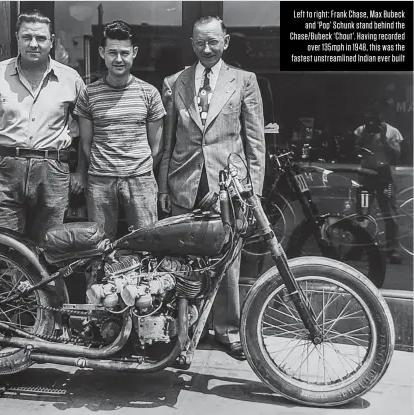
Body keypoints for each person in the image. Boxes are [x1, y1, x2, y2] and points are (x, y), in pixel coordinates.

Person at [158, 16, 265, 360]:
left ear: (226, 41)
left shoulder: (244, 81)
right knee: (181, 262)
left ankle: (227, 329)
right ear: (192, 43)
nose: (207, 49)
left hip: (228, 186)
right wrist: (163, 187)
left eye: (213, 42)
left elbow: (255, 143)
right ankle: (183, 329)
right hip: (184, 184)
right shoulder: (174, 82)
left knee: (227, 261)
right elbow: (167, 143)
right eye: (200, 42)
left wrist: (254, 193)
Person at [0, 9, 85, 243]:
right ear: (17, 39)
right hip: (6, 169)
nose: (34, 44)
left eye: (41, 38)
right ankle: (4, 282)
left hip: (53, 170)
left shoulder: (71, 79)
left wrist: (80, 171)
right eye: (27, 37)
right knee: (2, 246)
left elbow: (86, 131)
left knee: (50, 247)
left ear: (51, 42)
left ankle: (45, 282)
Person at [74, 20, 165, 240]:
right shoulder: (89, 93)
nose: (118, 59)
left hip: (140, 180)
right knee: (99, 247)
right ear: (102, 53)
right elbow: (85, 144)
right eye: (112, 52)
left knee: (147, 244)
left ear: (133, 53)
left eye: (124, 53)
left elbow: (157, 147)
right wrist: (104, 168)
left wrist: (135, 169)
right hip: (100, 182)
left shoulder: (149, 93)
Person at [354, 101, 403, 264]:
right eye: (369, 117)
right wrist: (365, 138)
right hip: (366, 175)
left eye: (375, 117)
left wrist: (383, 138)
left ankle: (392, 248)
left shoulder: (392, 132)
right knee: (362, 212)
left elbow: (396, 156)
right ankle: (360, 246)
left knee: (389, 212)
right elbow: (354, 151)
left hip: (383, 175)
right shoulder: (361, 130)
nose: (372, 121)